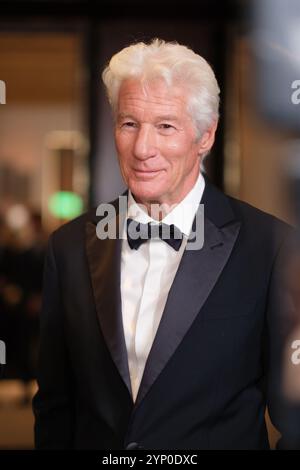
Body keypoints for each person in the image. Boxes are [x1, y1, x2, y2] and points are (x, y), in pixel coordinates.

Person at [33, 38, 297, 449]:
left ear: (205, 136)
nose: (142, 148)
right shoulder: (66, 248)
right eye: (129, 123)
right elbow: (54, 407)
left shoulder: (273, 247)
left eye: (165, 126)